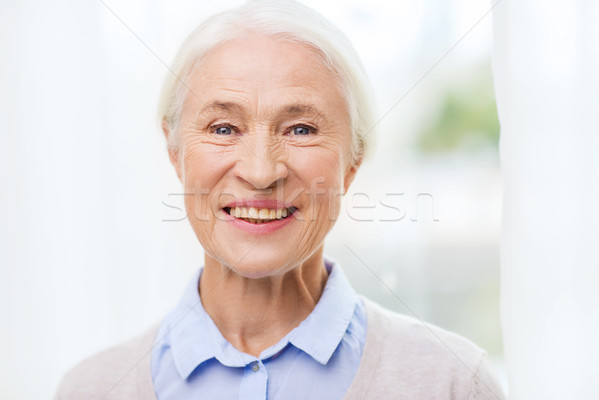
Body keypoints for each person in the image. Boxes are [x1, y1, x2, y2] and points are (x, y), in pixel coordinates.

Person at [54, 1, 505, 399]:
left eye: (301, 130)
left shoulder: (453, 383)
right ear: (175, 152)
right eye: (223, 129)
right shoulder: (90, 389)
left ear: (353, 159)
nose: (260, 171)